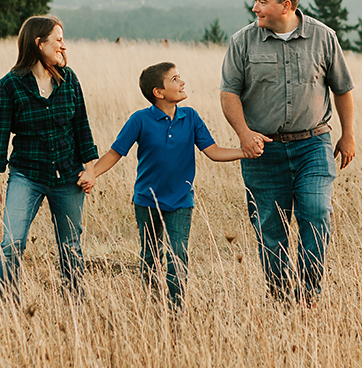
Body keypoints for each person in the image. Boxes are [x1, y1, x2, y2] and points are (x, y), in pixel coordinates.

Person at [219, 0, 356, 305]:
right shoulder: (242, 42)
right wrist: (244, 134)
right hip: (263, 152)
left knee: (316, 211)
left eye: (262, 2)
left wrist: (348, 135)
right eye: (255, 0)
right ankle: (281, 299)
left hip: (313, 144)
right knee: (271, 228)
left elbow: (343, 89)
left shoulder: (324, 38)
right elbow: (228, 94)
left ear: (287, 5)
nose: (255, 8)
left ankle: (309, 295)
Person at [93, 62, 250, 309]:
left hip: (180, 200)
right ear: (159, 92)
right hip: (147, 200)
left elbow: (214, 151)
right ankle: (153, 304)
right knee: (150, 256)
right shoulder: (140, 120)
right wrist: (92, 173)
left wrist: (244, 151)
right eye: (175, 79)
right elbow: (115, 153)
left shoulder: (191, 118)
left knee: (177, 255)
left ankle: (175, 309)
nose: (182, 82)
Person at [0, 15, 98, 301]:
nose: (63, 45)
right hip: (27, 174)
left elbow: (81, 126)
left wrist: (90, 169)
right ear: (39, 43)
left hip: (68, 174)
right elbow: (0, 134)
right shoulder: (10, 85)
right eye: (58, 39)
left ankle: (74, 304)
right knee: (12, 242)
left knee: (70, 244)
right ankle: (8, 305)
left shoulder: (69, 79)